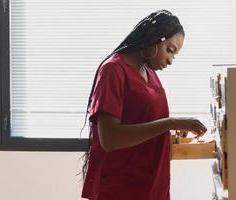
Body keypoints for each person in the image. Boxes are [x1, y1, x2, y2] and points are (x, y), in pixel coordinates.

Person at [81, 10, 207, 200]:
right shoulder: (113, 70)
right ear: (155, 39)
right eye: (170, 50)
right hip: (121, 188)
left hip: (151, 185)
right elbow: (110, 138)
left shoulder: (149, 72)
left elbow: (144, 121)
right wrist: (171, 123)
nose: (171, 60)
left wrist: (173, 133)